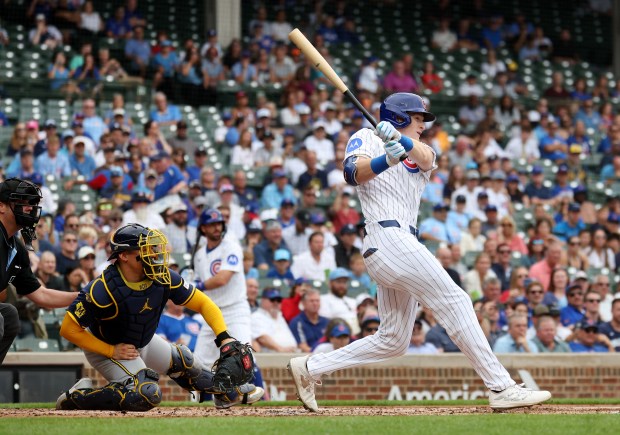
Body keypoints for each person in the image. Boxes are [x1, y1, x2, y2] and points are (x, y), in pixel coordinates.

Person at [287, 93, 551, 412]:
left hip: (401, 242)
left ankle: (311, 368)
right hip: (386, 236)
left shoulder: (418, 148)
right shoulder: (366, 136)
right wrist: (387, 158)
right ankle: (500, 386)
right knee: (455, 300)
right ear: (399, 116)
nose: (422, 125)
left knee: (394, 340)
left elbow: (426, 157)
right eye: (417, 118)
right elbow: (352, 173)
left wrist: (399, 139)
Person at [56, 223, 263, 411]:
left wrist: (224, 336)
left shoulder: (162, 275)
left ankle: (225, 393)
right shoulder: (103, 288)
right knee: (146, 393)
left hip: (141, 341)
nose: (153, 253)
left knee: (185, 361)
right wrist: (110, 350)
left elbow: (204, 303)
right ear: (123, 255)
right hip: (108, 347)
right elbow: (68, 328)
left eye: (152, 247)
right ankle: (77, 397)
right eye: (144, 248)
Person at [0, 179, 80, 363]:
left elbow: (41, 295)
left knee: (9, 315)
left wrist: (85, 296)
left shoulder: (16, 249)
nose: (29, 208)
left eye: (32, 204)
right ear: (1, 206)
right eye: (22, 202)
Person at [191, 209, 252, 373]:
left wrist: (198, 286)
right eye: (212, 224)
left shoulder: (231, 247)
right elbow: (196, 280)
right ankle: (202, 400)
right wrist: (191, 283)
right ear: (203, 228)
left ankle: (256, 394)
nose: (217, 227)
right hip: (211, 312)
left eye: (219, 223)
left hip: (235, 309)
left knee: (244, 355)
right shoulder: (198, 254)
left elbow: (222, 278)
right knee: (199, 364)